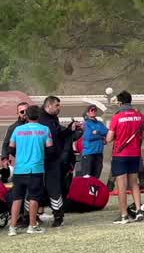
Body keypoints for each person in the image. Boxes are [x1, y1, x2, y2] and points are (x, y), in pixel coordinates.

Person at [7, 105, 51, 236]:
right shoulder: (45, 129)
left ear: (26, 115)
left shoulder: (17, 130)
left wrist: (21, 156)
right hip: (36, 168)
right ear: (39, 116)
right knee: (34, 197)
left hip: (20, 169)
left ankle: (12, 228)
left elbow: (10, 148)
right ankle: (32, 225)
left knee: (17, 198)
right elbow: (50, 148)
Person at [105, 91, 144, 224]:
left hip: (120, 154)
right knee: (134, 183)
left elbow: (109, 138)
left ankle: (124, 215)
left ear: (120, 102)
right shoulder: (139, 115)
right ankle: (139, 210)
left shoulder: (117, 117)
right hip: (135, 154)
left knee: (122, 185)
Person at [37, 96, 74, 227]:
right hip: (40, 160)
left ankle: (58, 215)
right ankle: (30, 216)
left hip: (53, 161)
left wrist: (70, 130)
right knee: (36, 188)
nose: (59, 108)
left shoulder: (54, 119)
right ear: (49, 106)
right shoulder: (39, 118)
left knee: (55, 188)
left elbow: (58, 135)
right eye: (57, 105)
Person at [81, 106, 108, 179]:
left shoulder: (100, 123)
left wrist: (97, 132)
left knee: (96, 177)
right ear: (87, 113)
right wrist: (101, 136)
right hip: (89, 153)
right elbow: (88, 136)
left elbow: (107, 132)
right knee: (87, 177)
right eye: (91, 110)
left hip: (99, 153)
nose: (93, 111)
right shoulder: (85, 124)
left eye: (95, 110)